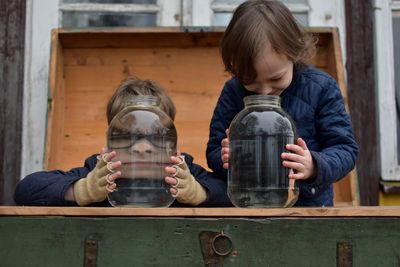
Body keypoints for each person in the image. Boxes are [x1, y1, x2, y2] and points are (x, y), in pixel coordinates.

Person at [206, 0, 358, 207]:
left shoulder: (321, 88)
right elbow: (214, 148)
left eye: (276, 79)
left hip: (309, 211)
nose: (265, 91)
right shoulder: (233, 91)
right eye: (249, 82)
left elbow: (345, 149)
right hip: (247, 208)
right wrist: (226, 160)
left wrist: (314, 165)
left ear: (294, 53)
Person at [15, 77, 231, 207]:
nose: (143, 148)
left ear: (170, 144)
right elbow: (27, 189)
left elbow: (231, 192)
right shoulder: (98, 173)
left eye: (156, 136)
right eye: (127, 137)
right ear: (111, 143)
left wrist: (198, 192)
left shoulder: (182, 172)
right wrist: (83, 190)